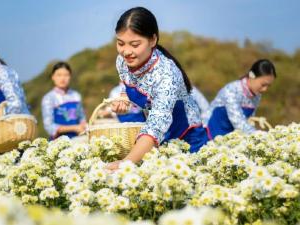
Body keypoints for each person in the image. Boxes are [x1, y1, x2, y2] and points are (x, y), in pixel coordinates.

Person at [107, 7, 209, 170]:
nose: (126, 51)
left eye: (135, 44)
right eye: (120, 43)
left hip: (187, 139)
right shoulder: (122, 62)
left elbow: (156, 124)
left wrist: (125, 163)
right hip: (157, 140)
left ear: (153, 40)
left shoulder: (167, 74)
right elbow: (128, 83)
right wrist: (124, 97)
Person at [204, 59, 276, 138]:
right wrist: (258, 135)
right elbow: (237, 120)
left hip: (232, 135)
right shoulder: (232, 90)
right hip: (210, 132)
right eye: (263, 84)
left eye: (268, 86)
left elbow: (249, 119)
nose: (265, 89)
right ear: (252, 76)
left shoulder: (257, 95)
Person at [41, 62, 86, 139]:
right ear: (53, 77)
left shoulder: (76, 95)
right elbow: (49, 127)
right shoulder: (48, 98)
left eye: (66, 75)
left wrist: (84, 125)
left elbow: (81, 117)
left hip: (78, 140)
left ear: (70, 77)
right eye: (59, 75)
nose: (62, 78)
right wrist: (74, 128)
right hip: (58, 142)